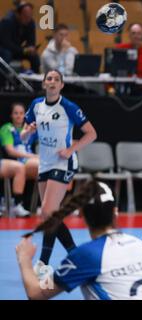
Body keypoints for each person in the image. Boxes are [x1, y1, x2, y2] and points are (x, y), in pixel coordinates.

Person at [16, 180, 142, 300]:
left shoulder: (86, 255)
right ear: (116, 212)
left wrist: (25, 259)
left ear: (83, 216)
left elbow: (36, 294)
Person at [21, 69, 97, 275]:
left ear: (62, 85)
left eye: (56, 79)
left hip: (64, 163)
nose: (52, 82)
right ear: (44, 84)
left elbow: (91, 133)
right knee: (51, 214)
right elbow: (24, 137)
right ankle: (75, 254)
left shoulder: (68, 107)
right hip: (45, 163)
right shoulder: (36, 105)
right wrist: (27, 132)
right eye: (49, 79)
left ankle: (43, 264)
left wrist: (71, 149)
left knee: (46, 212)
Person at [0, 102, 38, 215]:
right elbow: (10, 151)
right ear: (11, 115)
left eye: (21, 113)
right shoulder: (7, 128)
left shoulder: (30, 128)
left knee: (48, 167)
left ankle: (46, 205)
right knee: (21, 167)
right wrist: (32, 156)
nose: (19, 116)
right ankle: (16, 204)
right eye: (16, 113)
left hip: (29, 161)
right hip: (16, 161)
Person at [0, 2, 40, 73]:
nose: (28, 19)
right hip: (4, 48)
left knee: (35, 57)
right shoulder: (7, 22)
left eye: (30, 16)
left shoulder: (30, 22)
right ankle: (3, 81)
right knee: (7, 54)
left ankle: (35, 82)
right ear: (18, 14)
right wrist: (23, 50)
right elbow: (6, 43)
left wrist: (30, 48)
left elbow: (31, 41)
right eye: (25, 16)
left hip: (18, 49)